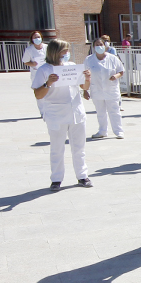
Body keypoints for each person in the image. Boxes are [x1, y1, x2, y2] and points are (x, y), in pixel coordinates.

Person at [34, 39, 92, 191]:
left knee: (79, 147)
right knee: (57, 148)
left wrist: (87, 78)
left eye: (67, 51)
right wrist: (48, 83)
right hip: (56, 114)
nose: (67, 54)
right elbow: (38, 94)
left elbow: (83, 86)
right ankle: (56, 179)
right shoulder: (43, 70)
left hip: (76, 112)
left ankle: (82, 176)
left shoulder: (71, 66)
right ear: (55, 52)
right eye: (64, 51)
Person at [83, 36, 125, 139]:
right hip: (96, 90)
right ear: (93, 47)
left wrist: (116, 76)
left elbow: (121, 71)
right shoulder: (89, 60)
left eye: (101, 44)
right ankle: (102, 131)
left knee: (114, 111)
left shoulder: (112, 58)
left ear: (105, 46)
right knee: (100, 112)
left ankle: (118, 131)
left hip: (111, 89)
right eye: (97, 45)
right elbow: (84, 76)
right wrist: (85, 90)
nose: (99, 46)